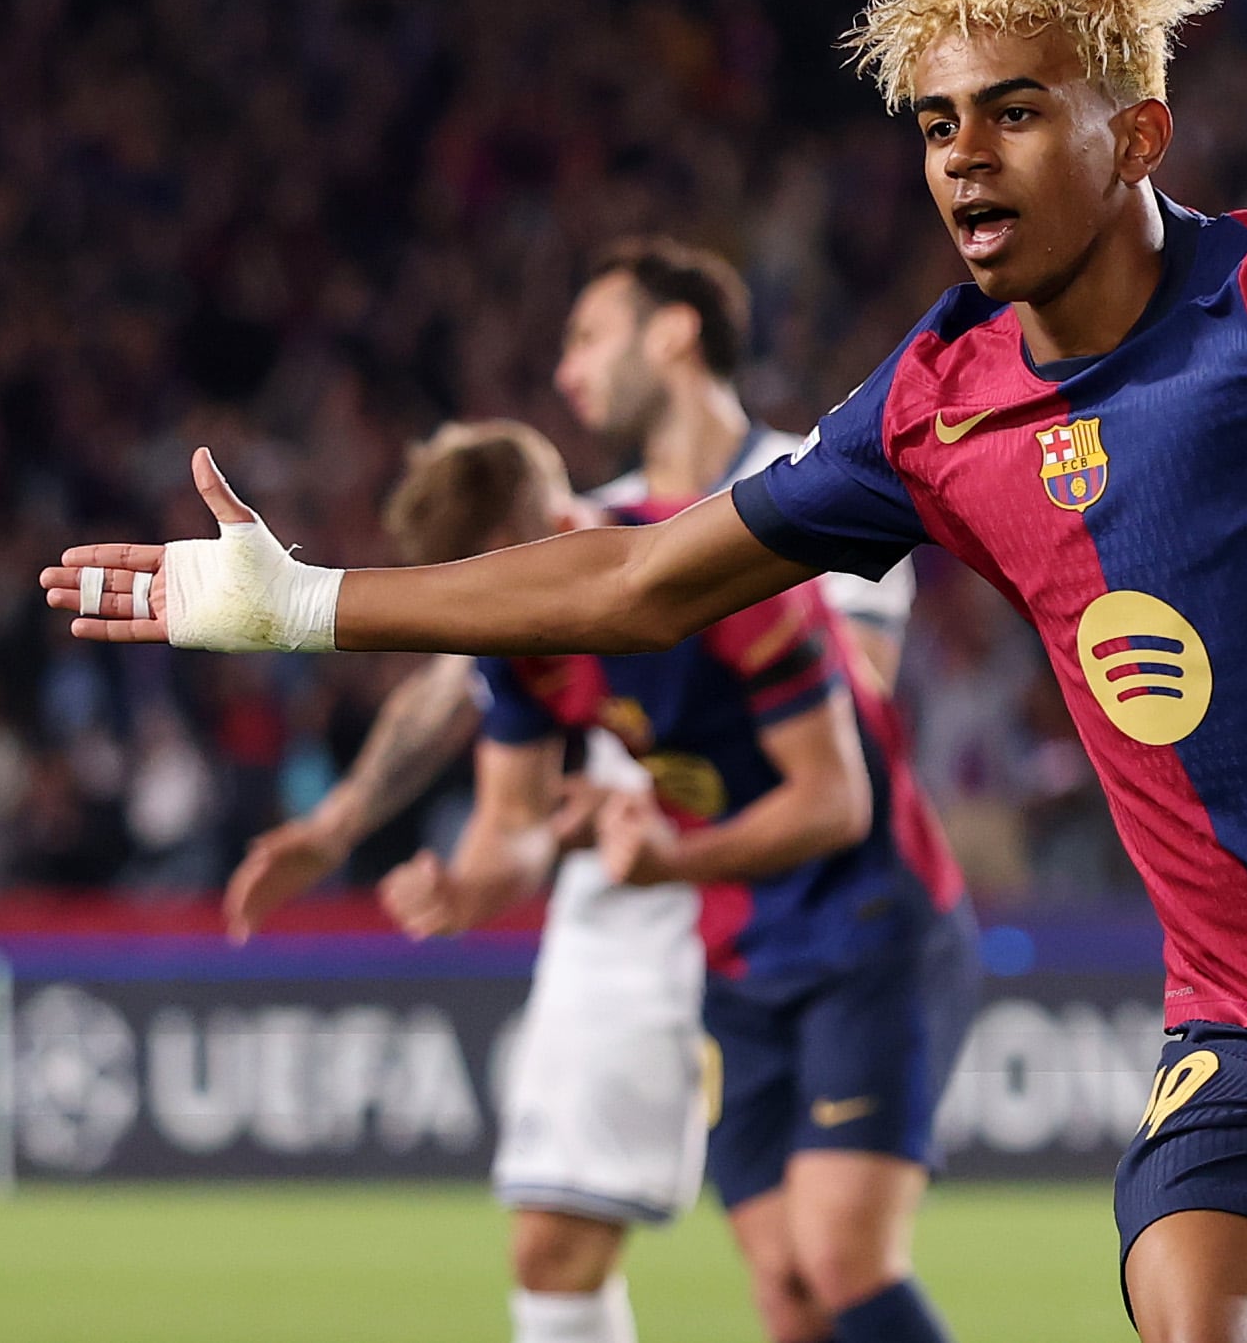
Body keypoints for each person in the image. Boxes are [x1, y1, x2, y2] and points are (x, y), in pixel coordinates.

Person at [47, 0, 1247, 1343]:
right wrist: (301, 601)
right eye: (934, 124)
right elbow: (634, 579)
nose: (963, 157)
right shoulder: (934, 404)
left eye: (1014, 112)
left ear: (1136, 135)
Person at [220, 240, 916, 1343]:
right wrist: (342, 819)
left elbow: (850, 707)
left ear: (672, 334)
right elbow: (456, 682)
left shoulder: (814, 485)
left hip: (783, 879)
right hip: (622, 900)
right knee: (551, 1240)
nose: (566, 371)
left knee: (803, 1275)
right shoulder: (592, 525)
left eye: (588, 337)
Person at [370, 420, 977, 1343]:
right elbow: (513, 826)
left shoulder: (716, 571)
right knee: (788, 1289)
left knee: (842, 1261)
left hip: (871, 928)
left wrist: (670, 860)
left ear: (553, 528)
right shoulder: (514, 631)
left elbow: (834, 803)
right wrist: (466, 890)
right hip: (737, 955)